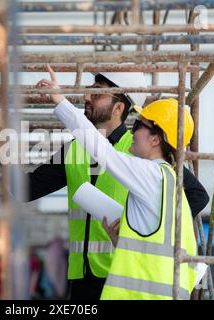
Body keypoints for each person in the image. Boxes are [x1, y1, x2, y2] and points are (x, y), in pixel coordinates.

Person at [0, 65, 209, 300]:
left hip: (122, 270)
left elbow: (196, 195)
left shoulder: (143, 160)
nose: (87, 97)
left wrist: (143, 226)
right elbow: (26, 190)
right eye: (90, 90)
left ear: (119, 107)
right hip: (82, 276)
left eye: (98, 93)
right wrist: (2, 151)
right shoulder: (75, 150)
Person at [42, 64, 200, 299]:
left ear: (156, 139)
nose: (133, 131)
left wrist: (60, 100)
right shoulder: (167, 179)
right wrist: (128, 237)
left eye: (139, 126)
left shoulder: (151, 174)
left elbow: (103, 152)